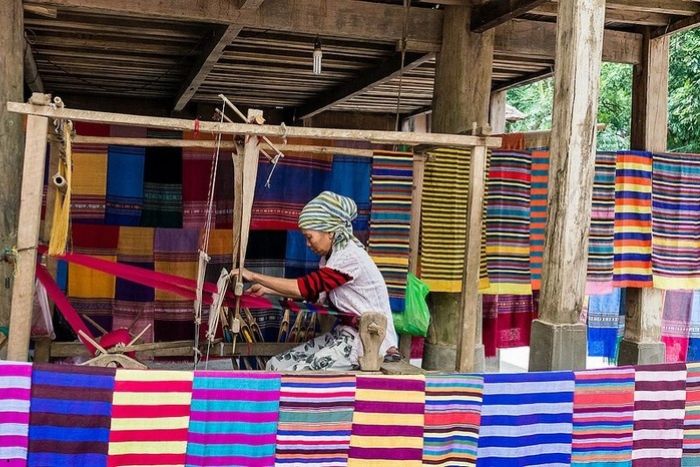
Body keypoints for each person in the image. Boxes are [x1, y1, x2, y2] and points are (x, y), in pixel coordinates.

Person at [234, 191, 399, 371]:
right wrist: (267, 289)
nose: (307, 244)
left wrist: (254, 276)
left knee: (292, 374)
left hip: (369, 342)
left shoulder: (350, 257)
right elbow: (314, 293)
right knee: (275, 365)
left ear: (329, 231)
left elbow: (304, 288)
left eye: (309, 237)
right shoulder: (331, 258)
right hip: (346, 335)